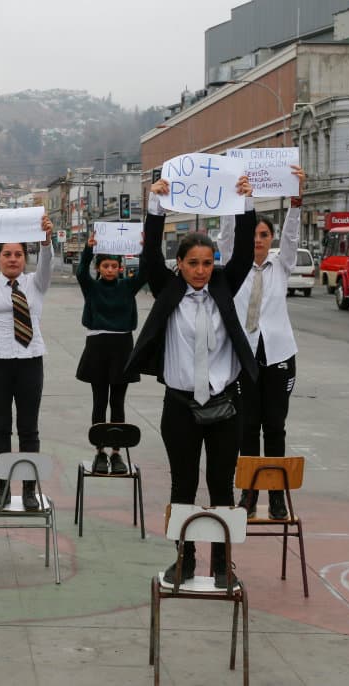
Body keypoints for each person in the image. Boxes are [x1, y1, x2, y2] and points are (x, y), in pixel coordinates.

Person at [125, 175, 258, 588]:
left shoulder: (224, 283)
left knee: (221, 486)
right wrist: (155, 206)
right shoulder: (169, 290)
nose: (200, 271)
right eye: (192, 263)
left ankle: (222, 563)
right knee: (183, 484)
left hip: (224, 406)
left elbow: (241, 258)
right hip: (180, 406)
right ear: (179, 265)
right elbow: (148, 260)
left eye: (206, 262)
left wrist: (244, 203)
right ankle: (183, 559)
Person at [217, 165, 307, 520]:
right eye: (254, 233)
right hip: (244, 361)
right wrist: (239, 198)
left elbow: (292, 238)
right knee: (246, 429)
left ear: (271, 239)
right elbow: (227, 236)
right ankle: (249, 493)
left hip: (279, 357)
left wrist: (296, 203)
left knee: (275, 427)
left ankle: (278, 496)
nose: (258, 239)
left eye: (264, 235)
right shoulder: (234, 268)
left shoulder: (280, 266)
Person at [0, 214, 54, 510]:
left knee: (29, 428)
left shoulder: (36, 283)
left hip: (30, 361)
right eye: (6, 254)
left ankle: (30, 489)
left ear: (25, 257)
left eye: (18, 254)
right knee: (1, 428)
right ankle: (4, 488)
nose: (12, 259)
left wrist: (46, 240)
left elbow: (47, 263)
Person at [75, 233, 147, 474]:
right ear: (99, 267)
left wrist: (145, 250)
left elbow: (145, 273)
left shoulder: (127, 286)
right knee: (99, 401)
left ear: (120, 267)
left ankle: (117, 453)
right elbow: (81, 273)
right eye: (105, 265)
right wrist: (88, 249)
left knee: (117, 402)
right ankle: (99, 451)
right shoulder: (92, 288)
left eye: (114, 266)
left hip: (122, 346)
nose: (109, 269)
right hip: (98, 346)